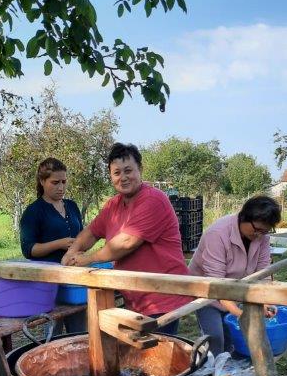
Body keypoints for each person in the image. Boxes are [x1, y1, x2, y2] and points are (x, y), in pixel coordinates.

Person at [62, 142, 190, 334]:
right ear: (111, 176)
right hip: (136, 298)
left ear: (140, 170)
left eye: (128, 170)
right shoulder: (113, 205)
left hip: (162, 298)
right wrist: (72, 252)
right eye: (117, 173)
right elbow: (91, 232)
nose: (123, 177)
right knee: (134, 350)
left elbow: (126, 243)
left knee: (155, 351)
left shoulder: (153, 200)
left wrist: (87, 259)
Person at [189, 195, 281, 376]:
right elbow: (217, 285)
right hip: (208, 292)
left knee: (231, 342)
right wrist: (241, 314)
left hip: (235, 290)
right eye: (256, 230)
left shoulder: (262, 236)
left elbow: (263, 272)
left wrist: (266, 300)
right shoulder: (217, 234)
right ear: (243, 217)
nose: (259, 235)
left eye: (265, 231)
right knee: (215, 340)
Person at [20, 157, 87, 334]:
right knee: (52, 334)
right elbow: (28, 249)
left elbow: (82, 236)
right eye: (55, 182)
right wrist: (59, 243)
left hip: (75, 280)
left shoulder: (72, 206)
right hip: (49, 284)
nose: (61, 187)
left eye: (64, 182)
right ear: (42, 181)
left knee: (79, 332)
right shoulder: (33, 211)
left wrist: (81, 246)